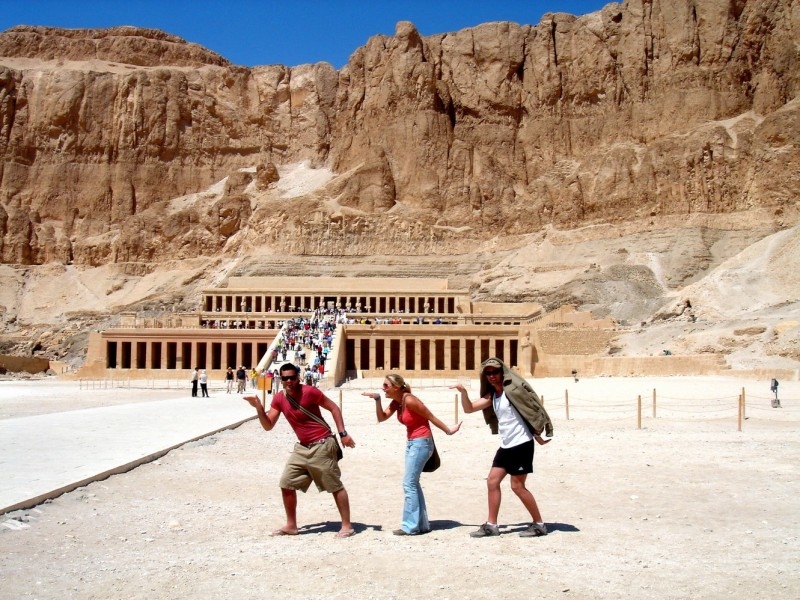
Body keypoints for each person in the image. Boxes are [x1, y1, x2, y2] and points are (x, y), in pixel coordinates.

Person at [243, 363, 357, 538]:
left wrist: (343, 433)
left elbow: (334, 407)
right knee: (286, 483)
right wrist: (259, 408)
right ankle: (291, 525)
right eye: (285, 378)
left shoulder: (310, 392)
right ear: (280, 380)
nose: (289, 381)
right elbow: (268, 426)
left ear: (298, 377)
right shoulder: (279, 398)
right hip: (302, 447)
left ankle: (347, 525)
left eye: (292, 377)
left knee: (334, 485)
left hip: (322, 444)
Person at [452, 357, 553, 538]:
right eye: (488, 373)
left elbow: (530, 411)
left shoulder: (512, 392)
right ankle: (492, 525)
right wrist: (463, 393)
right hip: (506, 445)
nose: (492, 376)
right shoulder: (493, 395)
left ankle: (539, 524)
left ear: (502, 372)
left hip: (521, 444)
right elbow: (469, 409)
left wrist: (539, 434)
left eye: (495, 372)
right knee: (492, 481)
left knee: (518, 486)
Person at [364, 373, 461, 536]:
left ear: (395, 387)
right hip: (412, 443)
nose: (383, 388)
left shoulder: (409, 399)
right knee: (413, 483)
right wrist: (377, 400)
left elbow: (430, 416)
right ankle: (421, 525)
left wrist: (449, 431)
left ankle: (411, 526)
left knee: (408, 483)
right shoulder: (397, 402)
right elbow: (381, 418)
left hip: (422, 443)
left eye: (386, 386)